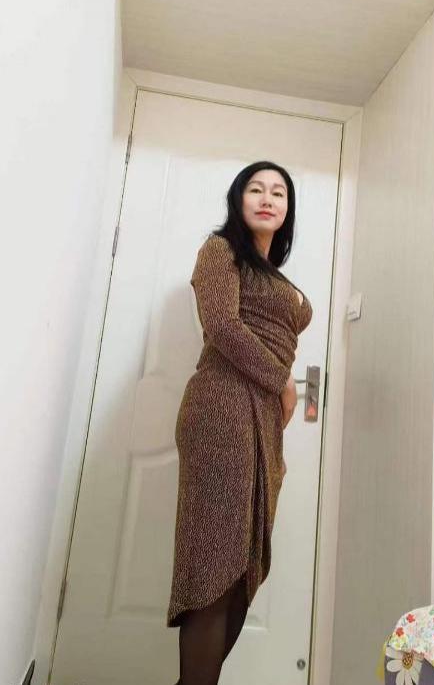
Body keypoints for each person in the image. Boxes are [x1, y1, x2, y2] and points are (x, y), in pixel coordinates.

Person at [166, 160, 313, 685]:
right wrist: (284, 380)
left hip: (262, 424)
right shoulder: (220, 249)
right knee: (215, 562)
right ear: (238, 198)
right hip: (221, 411)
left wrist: (279, 390)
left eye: (278, 192)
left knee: (241, 566)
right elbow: (224, 327)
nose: (267, 198)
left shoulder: (272, 273)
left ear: (287, 209)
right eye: (256, 189)